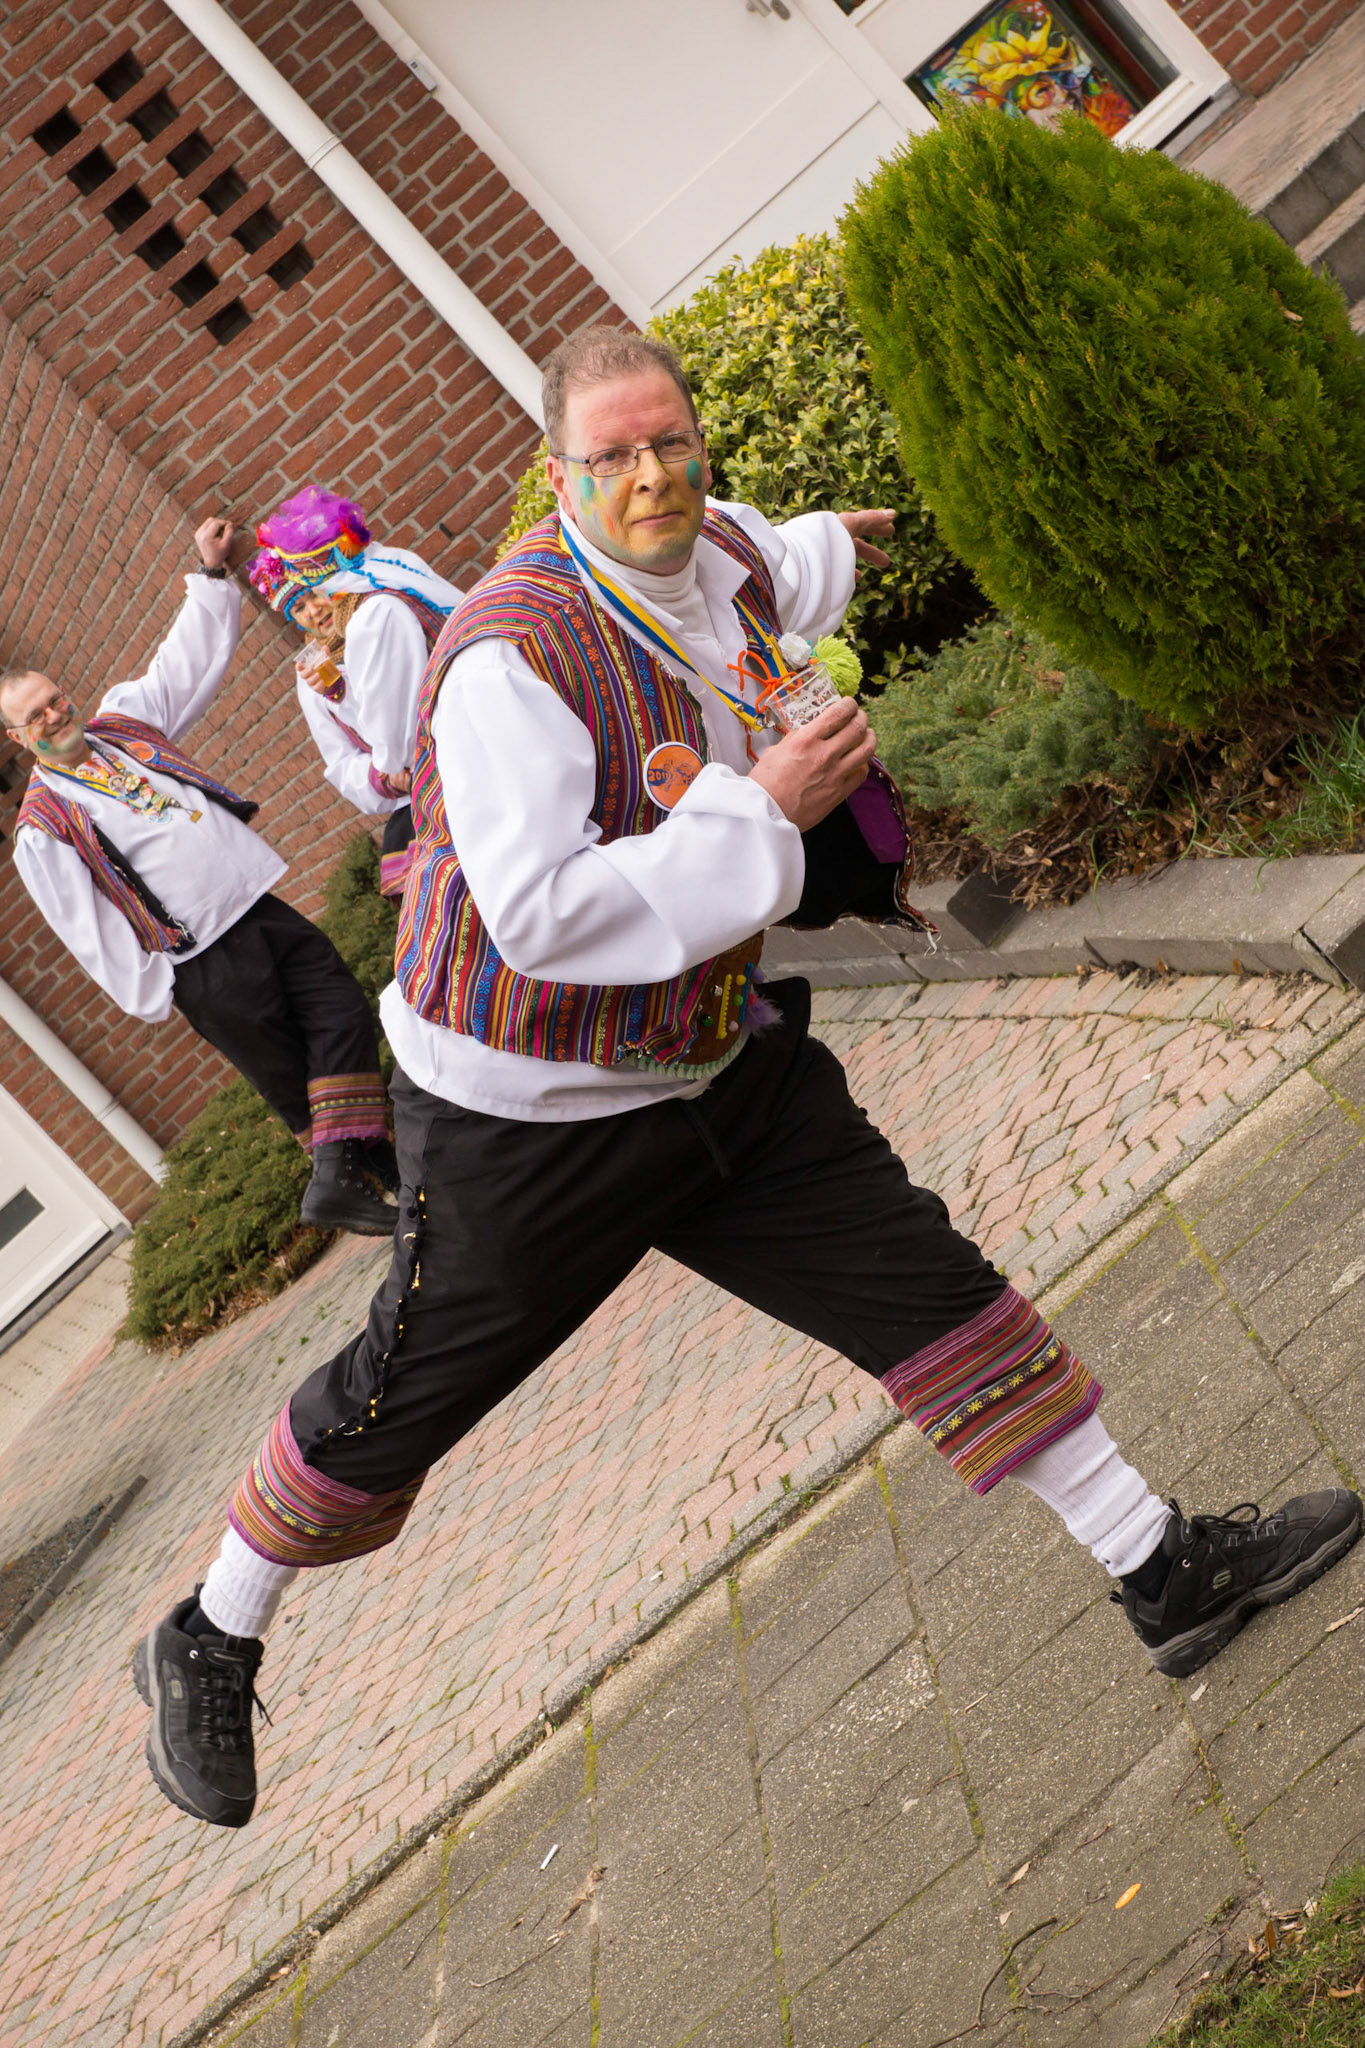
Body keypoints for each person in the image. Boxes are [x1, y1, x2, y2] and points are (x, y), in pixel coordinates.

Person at [133, 336, 1361, 1830]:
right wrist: (763, 810)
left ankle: (1159, 1567)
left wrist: (839, 539)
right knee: (404, 1390)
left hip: (718, 1060)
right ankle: (213, 1626)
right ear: (560, 476)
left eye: (672, 445)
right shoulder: (508, 660)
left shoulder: (712, 543)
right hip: (530, 1101)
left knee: (932, 1291)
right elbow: (540, 914)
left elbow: (770, 564)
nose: (650, 479)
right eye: (612, 458)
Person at [3, 515, 398, 1237]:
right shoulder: (42, 827)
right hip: (200, 962)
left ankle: (337, 1179)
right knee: (288, 1074)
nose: (56, 714)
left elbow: (181, 663)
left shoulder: (122, 724)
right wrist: (161, 988)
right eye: (37, 715)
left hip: (255, 906)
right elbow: (84, 926)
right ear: (17, 737)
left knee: (340, 1007)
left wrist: (212, 575)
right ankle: (378, 1177)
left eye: (56, 698)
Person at [247, 489, 462, 903]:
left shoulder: (373, 617)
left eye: (312, 595)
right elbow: (341, 763)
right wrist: (384, 779)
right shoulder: (312, 675)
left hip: (442, 750)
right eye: (299, 609)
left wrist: (348, 699)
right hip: (411, 787)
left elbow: (395, 711)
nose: (313, 611)